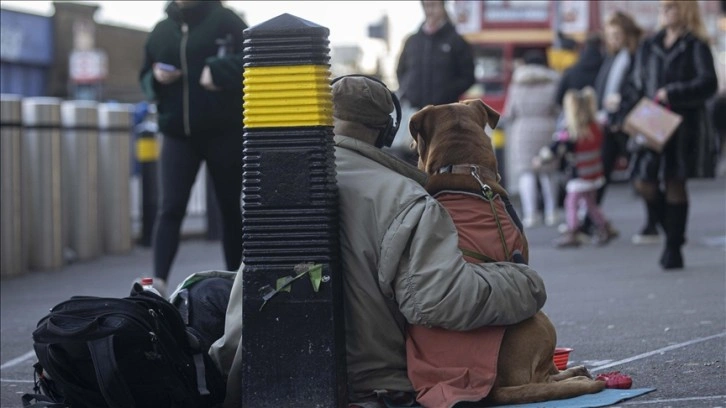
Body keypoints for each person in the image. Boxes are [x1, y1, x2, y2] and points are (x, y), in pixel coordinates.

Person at [209, 76, 547, 408]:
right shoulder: (408, 199)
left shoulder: (279, 187)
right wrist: (525, 282)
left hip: (266, 384)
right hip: (372, 389)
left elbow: (245, 301)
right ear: (386, 132)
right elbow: (440, 301)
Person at [139, 0, 247, 294]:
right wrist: (156, 78)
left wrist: (219, 69)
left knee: (228, 207)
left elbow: (255, 60)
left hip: (223, 131)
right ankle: (158, 283)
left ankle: (236, 285)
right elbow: (144, 77)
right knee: (170, 207)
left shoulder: (226, 21)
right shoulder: (161, 31)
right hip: (177, 134)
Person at [618, 0, 718, 269]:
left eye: (671, 6)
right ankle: (674, 231)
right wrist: (625, 109)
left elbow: (708, 83)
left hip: (684, 126)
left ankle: (673, 247)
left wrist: (672, 92)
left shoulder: (695, 44)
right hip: (650, 122)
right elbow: (635, 82)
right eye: (663, 7)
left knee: (675, 182)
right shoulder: (650, 46)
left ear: (684, 10)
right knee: (643, 182)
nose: (664, 11)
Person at [580, 11, 644, 240]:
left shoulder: (637, 56)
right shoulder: (611, 57)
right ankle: (588, 222)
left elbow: (639, 87)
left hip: (628, 122)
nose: (613, 39)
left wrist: (621, 101)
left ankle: (656, 221)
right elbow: (603, 88)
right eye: (609, 35)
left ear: (627, 33)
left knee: (642, 174)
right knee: (601, 172)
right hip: (609, 122)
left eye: (617, 34)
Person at [392, 0, 475, 164]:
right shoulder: (412, 41)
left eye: (434, 5)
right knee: (409, 162)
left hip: (443, 116)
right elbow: (400, 71)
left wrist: (447, 92)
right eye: (427, 6)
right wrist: (409, 91)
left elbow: (468, 77)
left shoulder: (457, 41)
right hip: (415, 115)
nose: (430, 10)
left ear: (443, 7)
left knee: (441, 163)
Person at [534, 87, 617, 248]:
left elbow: (555, 149)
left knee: (570, 202)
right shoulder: (596, 126)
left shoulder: (571, 131)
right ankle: (605, 226)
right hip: (594, 172)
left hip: (579, 174)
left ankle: (573, 231)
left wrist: (540, 160)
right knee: (590, 203)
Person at [502, 50, 561, 228]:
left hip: (523, 130)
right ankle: (551, 213)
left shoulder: (517, 85)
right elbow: (557, 110)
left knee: (526, 173)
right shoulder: (553, 84)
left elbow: (510, 112)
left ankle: (530, 214)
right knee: (548, 172)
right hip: (547, 128)